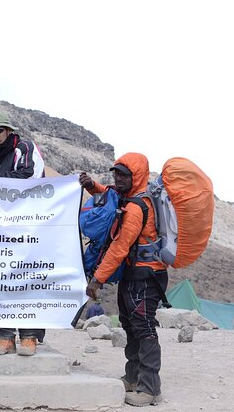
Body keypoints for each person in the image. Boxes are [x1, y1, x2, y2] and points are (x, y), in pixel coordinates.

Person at [79, 153, 167, 407]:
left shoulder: (137, 208)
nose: (118, 178)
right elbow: (108, 191)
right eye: (116, 173)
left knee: (144, 327)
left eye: (124, 175)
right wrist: (92, 186)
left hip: (145, 275)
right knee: (130, 324)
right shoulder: (128, 197)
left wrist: (97, 280)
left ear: (136, 177)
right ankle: (132, 378)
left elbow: (119, 247)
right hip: (134, 273)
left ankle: (150, 388)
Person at [0, 112, 46, 357]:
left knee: (27, 280)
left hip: (28, 225)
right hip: (1, 229)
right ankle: (5, 337)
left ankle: (29, 336)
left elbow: (28, 179)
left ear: (9, 130)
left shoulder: (25, 148)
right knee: (0, 279)